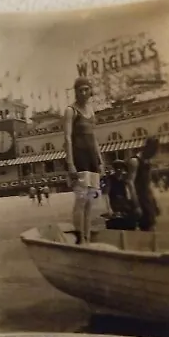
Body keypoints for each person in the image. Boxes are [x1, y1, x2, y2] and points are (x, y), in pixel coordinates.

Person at [64, 77, 104, 244]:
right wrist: (70, 163)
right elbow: (67, 138)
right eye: (80, 90)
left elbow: (93, 137)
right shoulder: (70, 110)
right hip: (79, 159)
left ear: (90, 91)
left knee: (90, 201)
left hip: (92, 160)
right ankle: (80, 238)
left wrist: (100, 159)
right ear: (75, 91)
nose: (83, 93)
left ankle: (87, 237)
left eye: (86, 89)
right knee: (81, 200)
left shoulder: (91, 111)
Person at [126, 136, 160, 231]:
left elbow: (149, 182)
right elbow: (130, 183)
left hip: (148, 198)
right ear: (147, 147)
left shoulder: (148, 162)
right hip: (140, 198)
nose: (154, 154)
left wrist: (154, 201)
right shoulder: (135, 161)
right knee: (146, 229)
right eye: (153, 151)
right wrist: (136, 204)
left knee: (152, 226)